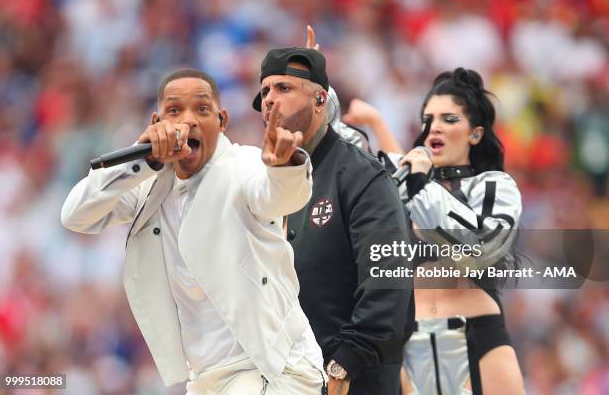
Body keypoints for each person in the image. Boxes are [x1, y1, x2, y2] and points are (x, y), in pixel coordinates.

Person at [61, 68, 328, 394]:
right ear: (156, 122)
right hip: (207, 379)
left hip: (274, 369)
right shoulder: (150, 186)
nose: (187, 121)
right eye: (174, 111)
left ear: (222, 120)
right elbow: (75, 215)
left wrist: (284, 167)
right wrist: (143, 158)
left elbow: (280, 196)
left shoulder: (243, 165)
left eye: (202, 109)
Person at [345, 68, 526, 394]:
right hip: (409, 342)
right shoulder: (413, 184)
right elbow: (397, 172)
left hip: (478, 339)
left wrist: (418, 184)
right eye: (428, 119)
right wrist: (375, 123)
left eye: (449, 119)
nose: (435, 127)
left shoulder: (494, 187)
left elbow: (477, 249)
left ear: (475, 133)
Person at [252, 46, 415, 395]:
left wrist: (347, 361)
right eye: (265, 91)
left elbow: (389, 279)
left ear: (320, 100)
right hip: (282, 378)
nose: (269, 99)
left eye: (284, 88)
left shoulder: (361, 176)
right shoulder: (260, 184)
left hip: (350, 380)